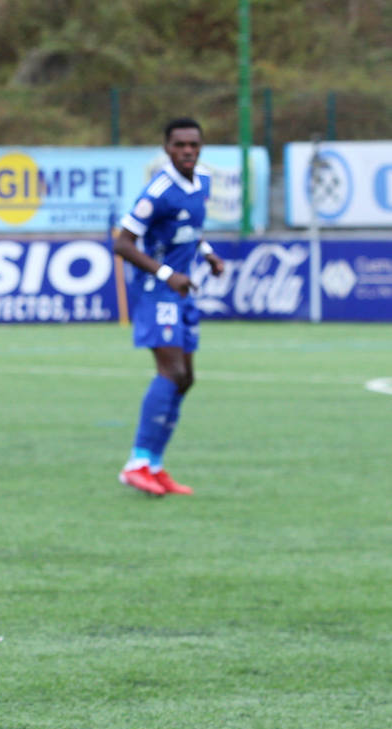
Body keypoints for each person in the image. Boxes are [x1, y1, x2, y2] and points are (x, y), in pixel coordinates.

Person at [113, 117, 225, 496]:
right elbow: (122, 243)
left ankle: (155, 465)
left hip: (181, 291)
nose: (188, 151)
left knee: (186, 378)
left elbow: (191, 227)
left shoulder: (204, 180)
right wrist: (165, 273)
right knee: (171, 372)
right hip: (156, 290)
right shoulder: (157, 192)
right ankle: (136, 463)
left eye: (194, 145)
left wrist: (208, 253)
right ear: (166, 149)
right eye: (180, 145)